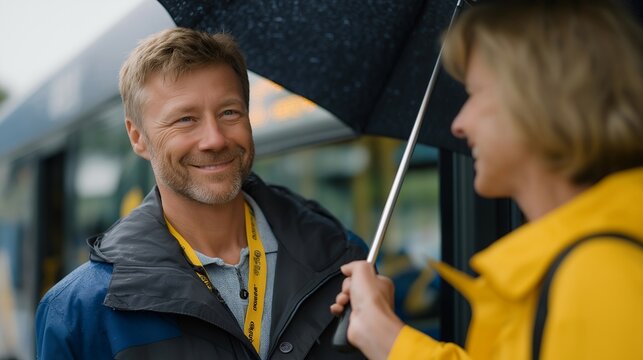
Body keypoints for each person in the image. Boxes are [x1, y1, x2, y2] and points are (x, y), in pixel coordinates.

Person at [331, 0, 643, 359]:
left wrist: (388, 338)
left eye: (475, 93)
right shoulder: (575, 267)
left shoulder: (600, 276)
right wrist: (388, 335)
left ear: (537, 101)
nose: (459, 123)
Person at [35, 27, 368, 359]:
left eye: (229, 113)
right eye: (185, 119)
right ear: (137, 137)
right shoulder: (79, 311)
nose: (215, 139)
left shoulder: (344, 263)